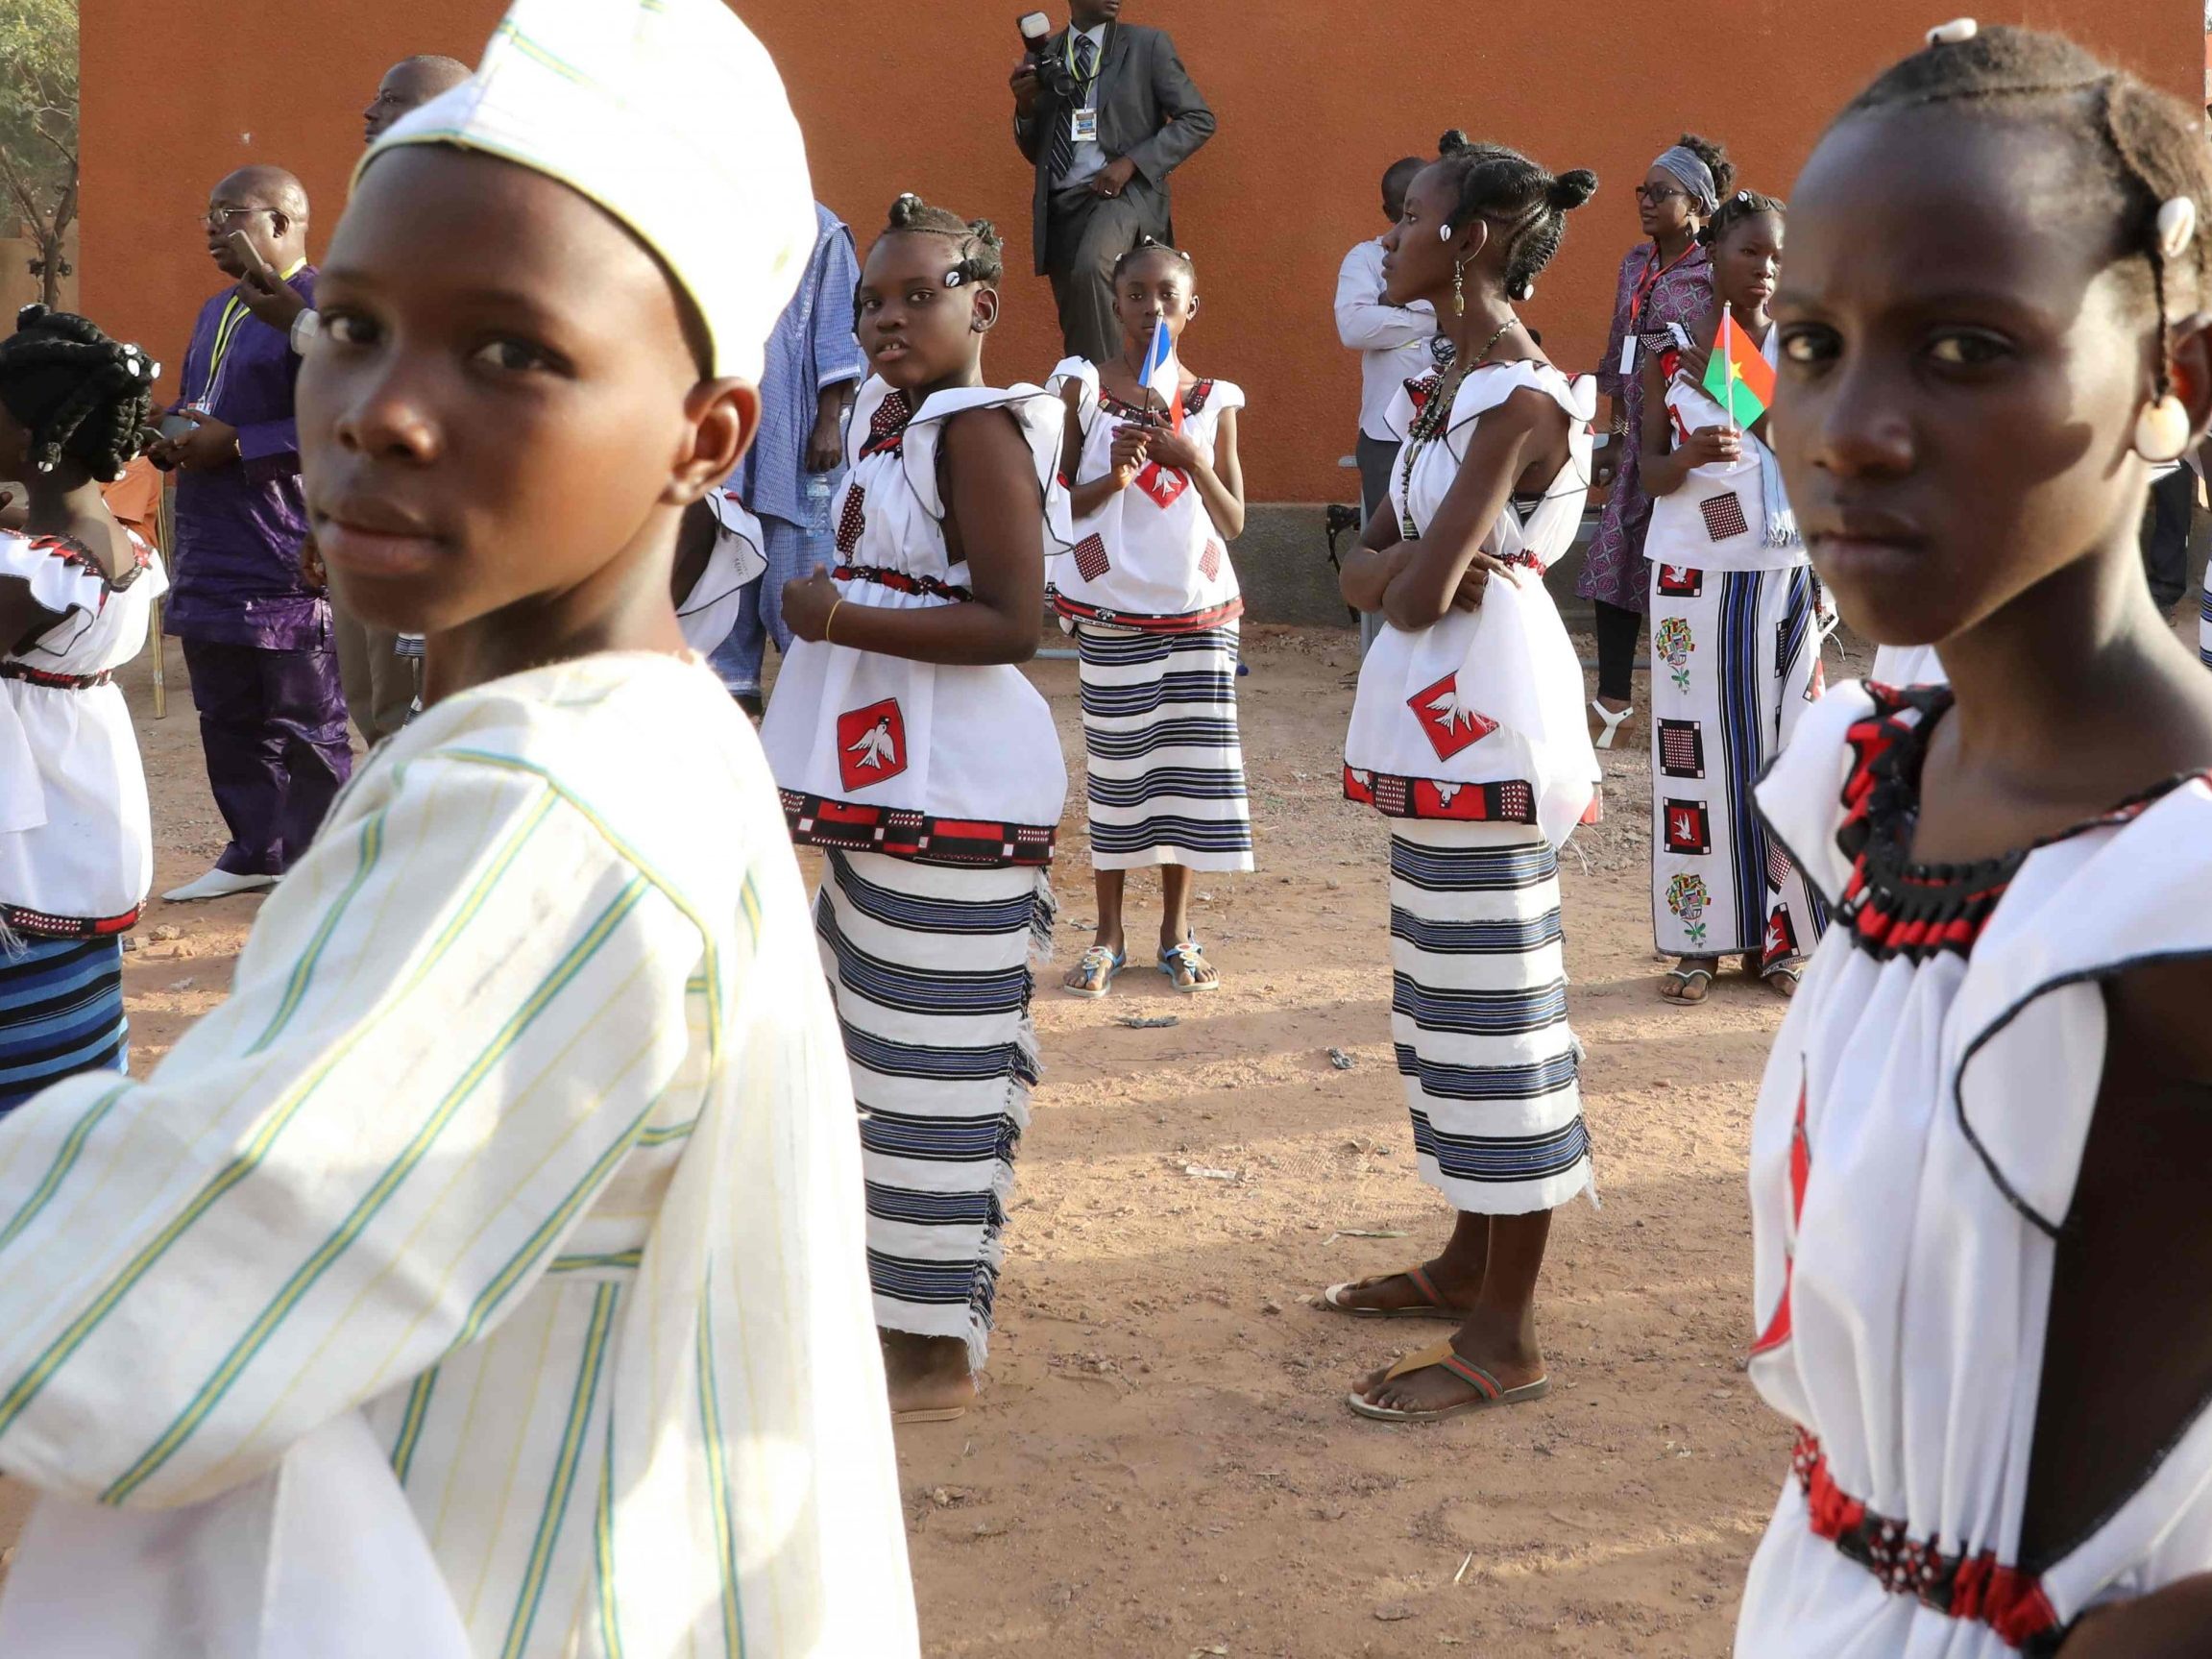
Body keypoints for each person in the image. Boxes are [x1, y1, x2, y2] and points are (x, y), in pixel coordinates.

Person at [0, 2, 919, 1652]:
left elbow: (150, 1311)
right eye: (350, 325)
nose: (379, 410)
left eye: (510, 350)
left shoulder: (543, 803)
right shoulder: (640, 736)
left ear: (704, 438)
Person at [1736, 22, 2212, 1656]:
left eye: (1960, 350)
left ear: (2174, 382)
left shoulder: (2179, 890)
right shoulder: (1866, 782)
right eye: (1808, 342)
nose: (1844, 431)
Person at [759, 193, 1067, 1424]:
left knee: (934, 1076)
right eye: (870, 302)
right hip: (890, 788)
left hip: (956, 794)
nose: (887, 318)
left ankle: (932, 1353)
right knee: (870, 1060)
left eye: (917, 295)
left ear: (980, 305)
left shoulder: (976, 430)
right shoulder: (899, 426)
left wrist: (833, 615)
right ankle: (883, 1314)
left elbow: (1012, 621)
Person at [1325, 133, 1603, 1424]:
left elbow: (1417, 586)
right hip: (1438, 724)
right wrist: (1395, 573)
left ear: (1470, 240)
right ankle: (1460, 1257)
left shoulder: (1520, 401)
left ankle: (1506, 1330)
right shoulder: (1445, 388)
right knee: (1441, 1004)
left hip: (1488, 725)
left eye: (1411, 215)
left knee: (1501, 1018)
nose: (1388, 233)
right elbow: (1360, 570)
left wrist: (1396, 573)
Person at [231, 54, 474, 746]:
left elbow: (421, 360)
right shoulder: (388, 213)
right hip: (368, 499)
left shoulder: (471, 226)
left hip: (428, 505)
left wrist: (296, 324)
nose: (368, 115)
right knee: (372, 707)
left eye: (391, 100)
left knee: (419, 715)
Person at [1641, 191, 1831, 1006]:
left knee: (1785, 754)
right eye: (1749, 253)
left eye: (1777, 257)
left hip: (1783, 575)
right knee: (1697, 760)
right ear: (1713, 256)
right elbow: (1640, 474)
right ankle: (1698, 944)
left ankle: (1777, 942)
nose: (1764, 270)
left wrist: (1733, 381)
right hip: (1691, 580)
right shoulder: (1665, 353)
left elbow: (1802, 444)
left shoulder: (1810, 352)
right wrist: (1683, 456)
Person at [1049, 237, 1250, 996]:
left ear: (1190, 307)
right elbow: (1057, 501)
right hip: (1109, 607)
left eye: (1166, 295)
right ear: (1115, 301)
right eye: (1136, 294)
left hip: (1197, 611)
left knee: (1185, 777)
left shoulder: (1214, 401)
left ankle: (1175, 931)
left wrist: (1187, 457)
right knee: (1117, 771)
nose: (1150, 309)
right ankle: (1106, 932)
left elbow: (1231, 521)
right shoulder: (1080, 387)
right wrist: (1116, 474)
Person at [151, 165, 350, 903]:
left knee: (305, 716)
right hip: (213, 535)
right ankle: (254, 849)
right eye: (206, 212)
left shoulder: (326, 308)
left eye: (228, 213)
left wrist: (238, 445)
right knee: (226, 709)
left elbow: (346, 417)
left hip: (283, 538)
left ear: (282, 223)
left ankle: (318, 868)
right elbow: (204, 400)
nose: (210, 228)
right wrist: (173, 431)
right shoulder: (215, 308)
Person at [0, 308, 167, 1115]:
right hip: (77, 790)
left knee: (27, 989)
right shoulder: (103, 539)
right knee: (72, 954)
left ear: (34, 437)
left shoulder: (30, 573)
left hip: (28, 813)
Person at [1582, 134, 1732, 751]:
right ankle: (1613, 701)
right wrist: (1615, 433)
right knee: (1614, 559)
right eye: (1642, 191)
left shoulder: (1717, 267)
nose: (1645, 201)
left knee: (1689, 562)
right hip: (1641, 431)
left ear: (1697, 204)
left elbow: (1735, 354)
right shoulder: (1632, 264)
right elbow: (1621, 342)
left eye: (1661, 192)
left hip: (1694, 433)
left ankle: (1699, 697)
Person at [707, 201, 866, 716]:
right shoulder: (707, 220)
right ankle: (736, 702)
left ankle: (808, 713)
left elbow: (840, 326)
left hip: (795, 436)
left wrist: (827, 421)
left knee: (799, 566)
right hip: (725, 429)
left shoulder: (819, 229)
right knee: (722, 555)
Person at [1010, 0, 1216, 364]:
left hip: (1121, 195)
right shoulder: (1048, 54)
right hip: (1061, 203)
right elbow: (1036, 151)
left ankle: (1111, 395)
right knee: (1077, 312)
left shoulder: (1146, 45)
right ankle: (1091, 404)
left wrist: (1131, 163)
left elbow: (1197, 119)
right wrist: (1025, 109)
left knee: (1093, 267)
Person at [1338, 155, 1450, 654]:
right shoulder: (1365, 259)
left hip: (1450, 429)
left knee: (1445, 547)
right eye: (1405, 210)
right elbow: (1355, 327)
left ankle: (1440, 656)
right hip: (1387, 435)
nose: (1408, 223)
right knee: (1389, 550)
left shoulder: (1452, 254)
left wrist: (1397, 310)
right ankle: (1392, 658)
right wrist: (1430, 320)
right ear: (1389, 208)